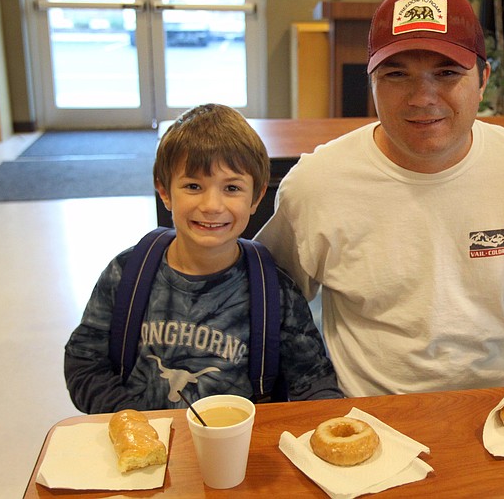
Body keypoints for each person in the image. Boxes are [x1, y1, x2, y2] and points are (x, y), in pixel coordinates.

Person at [254, 0, 504, 397]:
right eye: (396, 74)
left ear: (484, 78)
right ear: (371, 82)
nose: (423, 98)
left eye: (448, 73)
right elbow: (270, 299)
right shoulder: (316, 186)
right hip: (368, 416)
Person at [65, 104, 342, 413]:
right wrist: (128, 418)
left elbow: (313, 380)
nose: (212, 205)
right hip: (144, 447)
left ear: (256, 197)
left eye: (232, 188)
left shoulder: (274, 290)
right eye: (193, 186)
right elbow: (84, 363)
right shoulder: (126, 272)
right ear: (165, 192)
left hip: (238, 449)